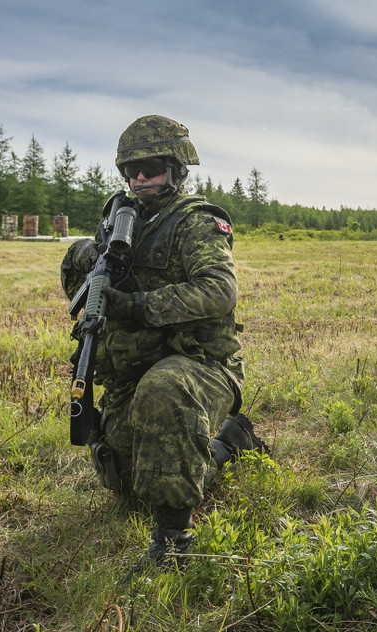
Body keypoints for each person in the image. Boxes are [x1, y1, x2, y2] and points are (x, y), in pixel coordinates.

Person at [60, 115, 267, 582]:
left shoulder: (195, 222)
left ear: (175, 169)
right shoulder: (120, 226)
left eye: (151, 168)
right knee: (132, 484)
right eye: (131, 171)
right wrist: (88, 255)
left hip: (198, 364)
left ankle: (173, 544)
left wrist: (136, 305)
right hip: (134, 374)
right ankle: (229, 442)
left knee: (164, 390)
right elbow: (76, 277)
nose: (140, 179)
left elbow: (219, 291)